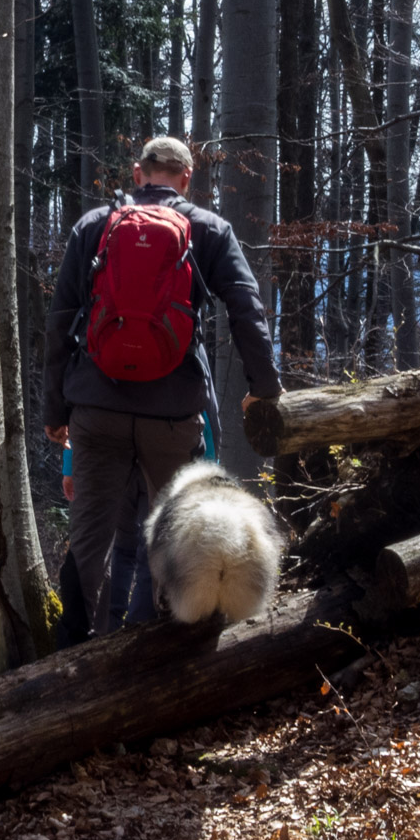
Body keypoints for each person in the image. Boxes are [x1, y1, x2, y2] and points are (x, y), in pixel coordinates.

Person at [44, 136, 283, 635]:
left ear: (138, 174)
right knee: (171, 534)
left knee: (88, 539)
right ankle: (156, 648)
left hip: (96, 407)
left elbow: (60, 322)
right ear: (187, 178)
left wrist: (55, 412)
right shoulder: (209, 229)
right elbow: (247, 310)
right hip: (172, 416)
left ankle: (70, 654)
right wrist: (265, 389)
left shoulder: (94, 226)